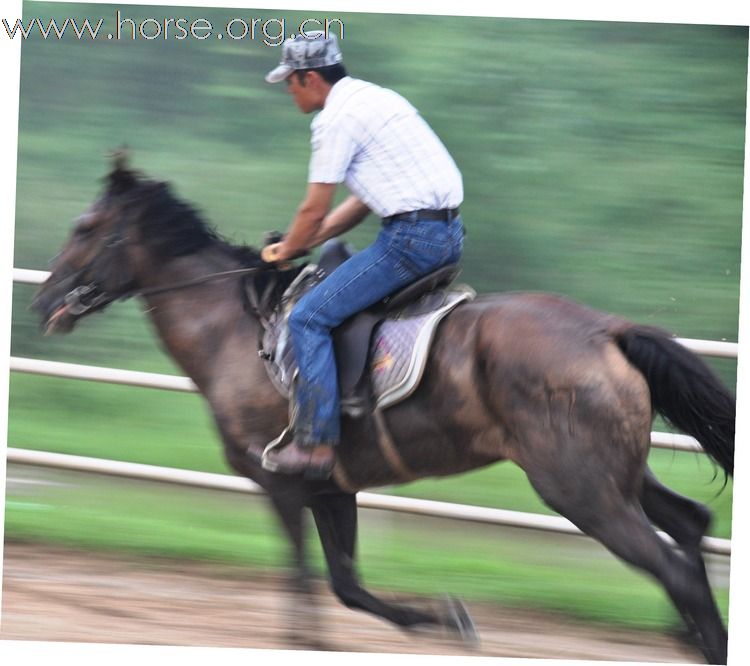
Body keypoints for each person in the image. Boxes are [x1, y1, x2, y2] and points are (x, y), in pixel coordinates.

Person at [260, 31, 464, 480]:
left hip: (409, 241)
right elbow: (362, 201)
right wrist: (310, 239)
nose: (289, 92)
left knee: (308, 318)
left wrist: (288, 251)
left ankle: (315, 444)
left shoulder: (333, 120)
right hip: (448, 234)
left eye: (290, 82)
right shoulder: (378, 100)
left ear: (309, 77)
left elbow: (313, 206)